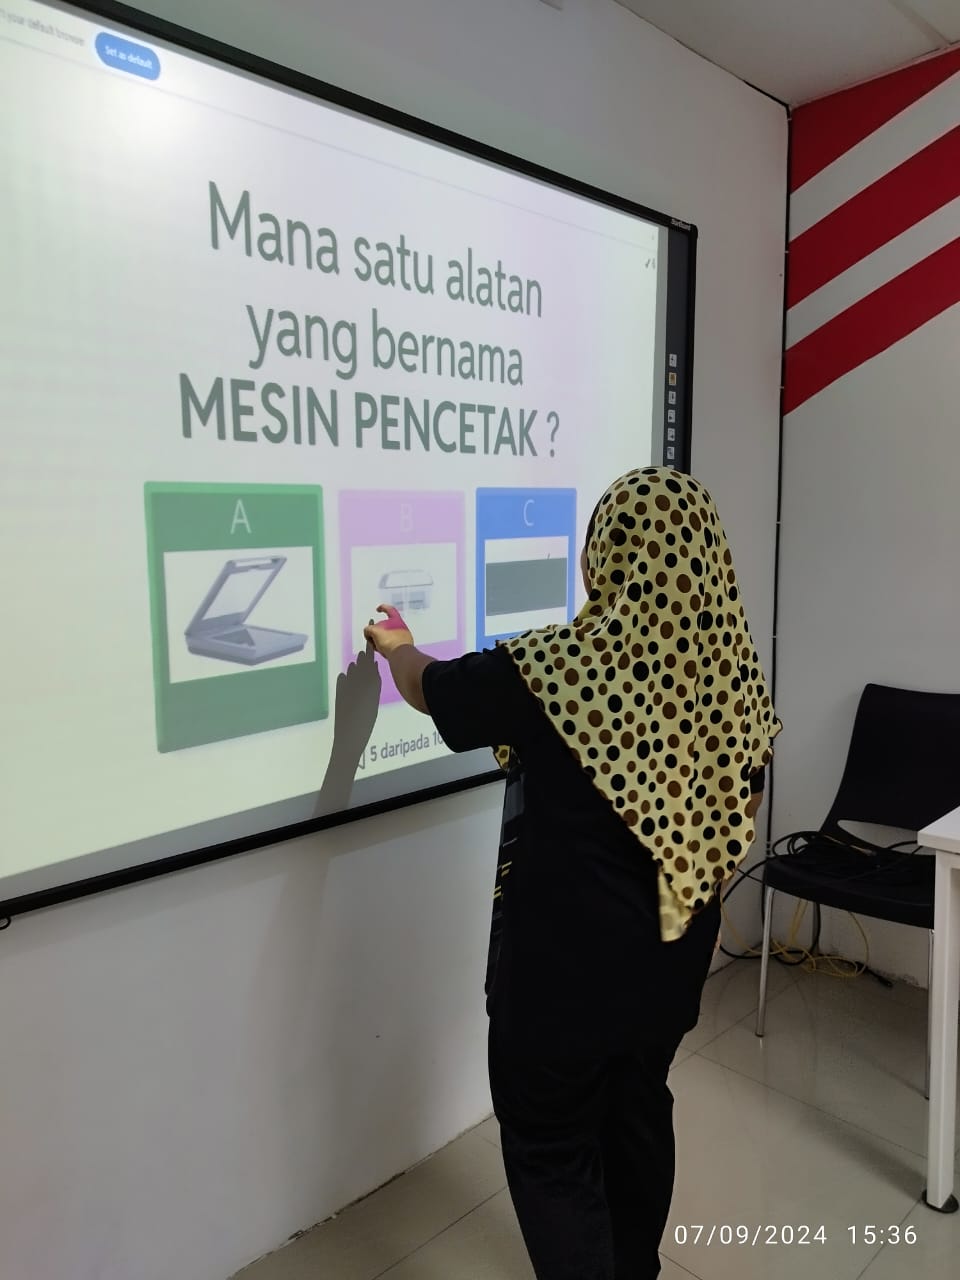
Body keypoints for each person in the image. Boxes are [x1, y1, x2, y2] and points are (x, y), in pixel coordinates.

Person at [364, 467, 781, 1280]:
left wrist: (398, 645)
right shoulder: (733, 676)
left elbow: (434, 692)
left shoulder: (555, 669)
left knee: (551, 1145)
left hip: (559, 982)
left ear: (604, 557)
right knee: (638, 1111)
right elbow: (740, 813)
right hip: (670, 965)